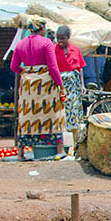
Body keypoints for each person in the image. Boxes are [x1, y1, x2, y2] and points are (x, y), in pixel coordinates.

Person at [10, 18, 66, 160]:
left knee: (26, 117)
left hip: (28, 86)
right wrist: (60, 85)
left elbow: (14, 66)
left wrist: (26, 72)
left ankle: (21, 153)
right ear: (41, 29)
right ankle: (60, 150)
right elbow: (53, 67)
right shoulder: (47, 43)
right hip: (45, 85)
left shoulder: (20, 44)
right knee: (53, 115)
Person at [54, 25, 86, 145]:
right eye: (58, 39)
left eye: (63, 38)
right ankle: (62, 145)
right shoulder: (53, 50)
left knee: (74, 114)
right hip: (60, 85)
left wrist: (83, 86)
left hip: (74, 87)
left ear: (68, 37)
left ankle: (75, 144)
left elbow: (80, 69)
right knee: (61, 114)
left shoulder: (75, 50)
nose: (60, 42)